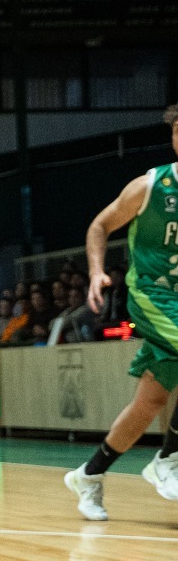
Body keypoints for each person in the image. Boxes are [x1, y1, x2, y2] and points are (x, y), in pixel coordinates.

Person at [64, 104, 178, 521]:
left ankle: (89, 476)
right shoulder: (150, 187)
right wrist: (96, 273)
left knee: (150, 402)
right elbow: (99, 226)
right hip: (152, 295)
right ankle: (169, 459)